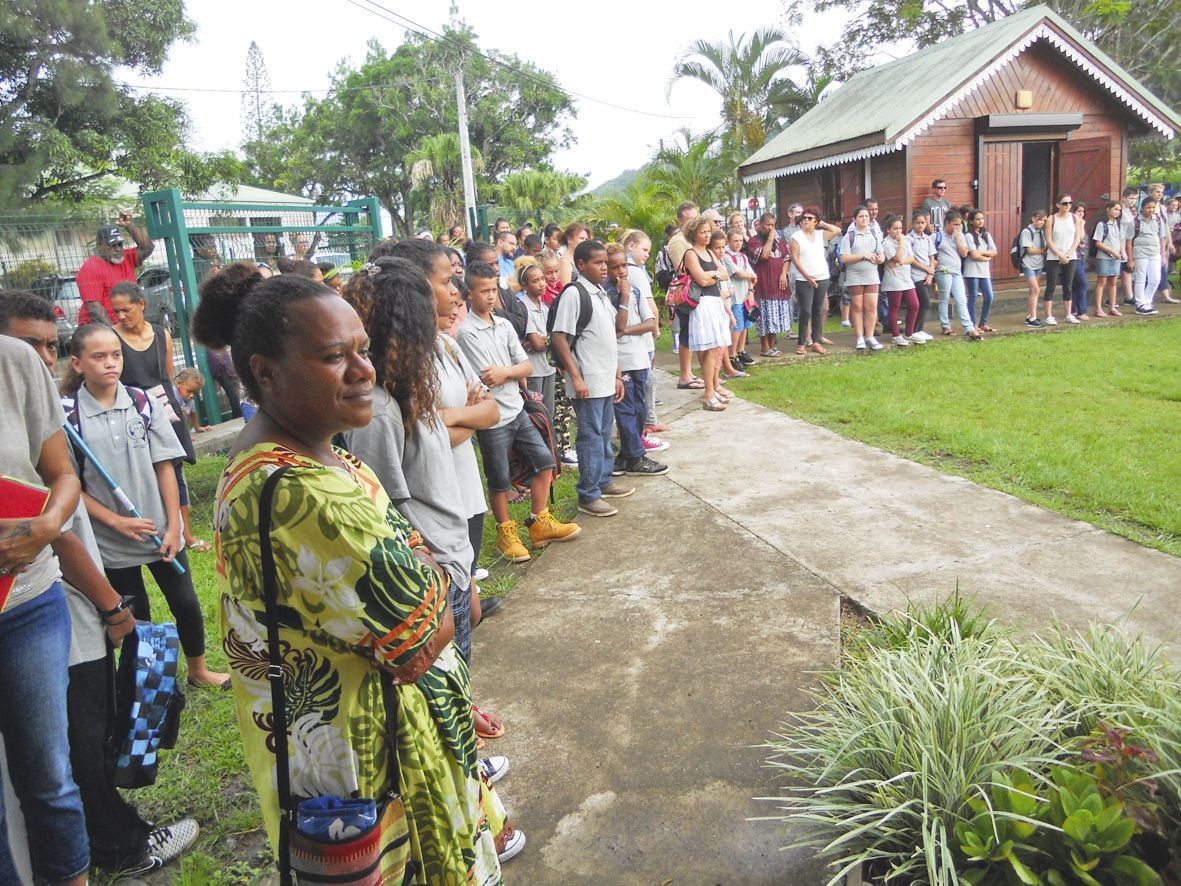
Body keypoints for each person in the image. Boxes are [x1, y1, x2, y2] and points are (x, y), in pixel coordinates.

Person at [191, 268, 522, 881]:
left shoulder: (326, 455)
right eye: (332, 357)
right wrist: (431, 578)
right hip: (363, 767)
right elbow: (421, 635)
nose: (363, 370)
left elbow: (417, 583)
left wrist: (425, 585)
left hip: (394, 727)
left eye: (363, 350)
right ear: (266, 373)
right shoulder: (297, 492)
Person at [0, 292, 200, 876]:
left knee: (82, 733)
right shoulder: (52, 406)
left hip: (70, 593)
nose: (39, 358)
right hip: (58, 599)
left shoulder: (66, 403)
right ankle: (120, 846)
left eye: (47, 345)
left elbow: (62, 495)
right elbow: (55, 530)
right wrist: (113, 606)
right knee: (78, 740)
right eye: (28, 345)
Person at [61, 324, 229, 689]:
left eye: (116, 355)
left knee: (185, 602)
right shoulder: (67, 416)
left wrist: (174, 526)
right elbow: (68, 485)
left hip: (160, 531)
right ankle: (151, 685)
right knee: (138, 614)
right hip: (112, 540)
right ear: (77, 363)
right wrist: (116, 522)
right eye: (99, 356)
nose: (110, 363)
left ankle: (198, 671)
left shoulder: (142, 401)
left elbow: (166, 466)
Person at [0, 333, 88, 886]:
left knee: (50, 777)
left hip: (28, 605)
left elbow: (63, 475)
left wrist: (46, 526)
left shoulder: (13, 361)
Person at [457, 262, 580, 557]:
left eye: (493, 290)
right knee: (499, 479)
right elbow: (486, 377)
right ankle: (505, 532)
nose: (490, 296)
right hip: (493, 418)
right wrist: (510, 371)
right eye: (483, 291)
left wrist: (506, 372)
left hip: (517, 408)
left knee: (545, 462)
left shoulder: (504, 325)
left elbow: (524, 366)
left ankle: (539, 521)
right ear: (470, 294)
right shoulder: (467, 333)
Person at [108, 283, 204, 554]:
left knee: (175, 470)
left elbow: (168, 376)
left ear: (141, 304)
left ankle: (185, 534)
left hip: (164, 409)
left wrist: (172, 411)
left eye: (126, 310)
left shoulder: (162, 334)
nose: (121, 316)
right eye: (116, 311)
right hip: (130, 412)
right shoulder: (112, 337)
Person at [551, 241, 629, 516]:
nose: (604, 267)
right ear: (581, 265)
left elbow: (609, 337)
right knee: (590, 436)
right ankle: (588, 494)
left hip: (605, 378)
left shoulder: (601, 293)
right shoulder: (575, 293)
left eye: (605, 262)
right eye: (598, 263)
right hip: (588, 380)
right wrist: (576, 377)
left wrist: (617, 375)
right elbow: (559, 337)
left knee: (604, 433)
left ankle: (604, 480)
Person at [606, 244, 667, 478]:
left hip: (640, 358)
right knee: (625, 410)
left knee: (640, 408)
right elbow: (617, 325)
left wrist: (626, 330)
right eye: (615, 267)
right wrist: (623, 297)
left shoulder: (636, 291)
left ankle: (626, 454)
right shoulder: (608, 295)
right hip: (621, 361)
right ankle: (635, 457)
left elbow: (650, 323)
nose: (621, 271)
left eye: (624, 265)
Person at [683, 218, 736, 410]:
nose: (706, 235)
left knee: (716, 348)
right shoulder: (691, 254)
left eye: (708, 231)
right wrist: (715, 275)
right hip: (703, 303)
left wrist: (713, 275)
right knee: (710, 349)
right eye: (702, 232)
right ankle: (708, 393)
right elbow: (702, 280)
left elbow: (725, 274)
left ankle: (712, 390)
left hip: (715, 302)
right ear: (694, 234)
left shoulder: (709, 252)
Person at [623, 231, 668, 449]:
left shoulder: (635, 270)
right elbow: (649, 303)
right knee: (646, 381)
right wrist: (655, 327)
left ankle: (648, 423)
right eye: (644, 249)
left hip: (640, 333)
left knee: (647, 380)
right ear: (631, 246)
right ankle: (645, 427)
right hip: (641, 334)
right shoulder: (634, 272)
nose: (647, 255)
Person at [77, 210, 155, 326]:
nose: (118, 249)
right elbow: (94, 309)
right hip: (98, 328)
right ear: (99, 246)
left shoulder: (126, 258)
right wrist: (115, 332)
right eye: (112, 245)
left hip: (125, 324)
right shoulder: (90, 268)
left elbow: (147, 247)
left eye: (120, 244)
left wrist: (128, 225)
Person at [789, 207, 841, 355]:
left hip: (822, 276)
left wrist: (822, 223)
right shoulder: (796, 237)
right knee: (805, 311)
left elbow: (837, 230)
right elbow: (795, 258)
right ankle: (801, 343)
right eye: (804, 218)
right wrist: (807, 276)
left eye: (810, 218)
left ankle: (816, 341)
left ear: (816, 221)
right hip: (804, 279)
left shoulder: (820, 235)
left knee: (818, 310)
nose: (806, 220)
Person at [666, 202, 704, 383]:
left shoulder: (691, 239)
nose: (693, 223)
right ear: (679, 221)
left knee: (692, 333)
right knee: (686, 333)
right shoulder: (678, 241)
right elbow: (682, 270)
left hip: (696, 292)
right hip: (686, 293)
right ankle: (685, 375)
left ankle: (689, 373)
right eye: (689, 220)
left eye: (696, 219)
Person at [933, 211, 983, 340]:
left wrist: (957, 239)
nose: (957, 227)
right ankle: (945, 326)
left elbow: (964, 254)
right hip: (943, 271)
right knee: (944, 298)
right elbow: (931, 254)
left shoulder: (960, 236)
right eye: (954, 224)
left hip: (956, 271)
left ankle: (968, 328)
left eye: (959, 225)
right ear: (947, 223)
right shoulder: (937, 236)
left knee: (961, 299)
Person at [747, 213, 791, 357]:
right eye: (767, 225)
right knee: (764, 318)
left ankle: (772, 345)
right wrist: (771, 238)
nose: (770, 228)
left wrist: (783, 274)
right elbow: (764, 256)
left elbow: (786, 258)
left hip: (778, 285)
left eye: (773, 225)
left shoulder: (779, 241)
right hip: (763, 286)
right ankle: (764, 347)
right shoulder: (754, 241)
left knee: (775, 317)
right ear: (760, 225)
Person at [518, 263, 557, 428]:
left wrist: (546, 339)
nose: (541, 284)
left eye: (542, 279)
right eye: (535, 281)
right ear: (524, 286)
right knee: (537, 414)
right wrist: (549, 340)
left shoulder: (545, 307)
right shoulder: (523, 308)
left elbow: (555, 337)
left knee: (549, 412)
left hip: (548, 368)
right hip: (534, 370)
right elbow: (538, 344)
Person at [841, 206, 885, 350]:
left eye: (866, 216)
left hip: (872, 275)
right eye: (861, 216)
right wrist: (862, 256)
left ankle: (870, 336)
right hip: (855, 276)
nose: (864, 219)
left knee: (871, 306)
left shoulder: (874, 234)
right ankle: (860, 337)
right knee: (857, 307)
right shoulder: (849, 236)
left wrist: (880, 259)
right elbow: (844, 258)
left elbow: (881, 254)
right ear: (854, 219)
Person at [880, 214, 922, 346]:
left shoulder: (905, 241)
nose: (898, 231)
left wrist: (900, 261)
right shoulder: (886, 243)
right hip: (893, 278)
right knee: (894, 306)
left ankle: (909, 333)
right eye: (895, 229)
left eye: (900, 228)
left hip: (906, 277)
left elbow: (911, 258)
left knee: (914, 304)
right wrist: (901, 246)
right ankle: (895, 335)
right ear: (888, 230)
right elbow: (896, 257)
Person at [1042, 194, 1081, 325]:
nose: (1068, 205)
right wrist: (1060, 255)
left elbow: (1077, 238)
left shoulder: (1075, 218)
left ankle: (1068, 314)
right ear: (1058, 205)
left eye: (1070, 203)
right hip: (1054, 256)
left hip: (1071, 256)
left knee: (1068, 285)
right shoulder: (1051, 219)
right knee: (1051, 285)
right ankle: (1048, 315)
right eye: (1064, 203)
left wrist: (1068, 254)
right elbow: (1049, 240)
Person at [1125, 197, 1167, 316]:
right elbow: (1129, 241)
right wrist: (1130, 259)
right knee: (1140, 278)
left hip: (1155, 252)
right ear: (1142, 208)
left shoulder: (1158, 219)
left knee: (1156, 278)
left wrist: (1163, 255)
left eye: (1153, 207)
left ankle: (1147, 301)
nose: (1151, 210)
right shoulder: (1135, 222)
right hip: (1140, 253)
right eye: (1148, 207)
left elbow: (1162, 238)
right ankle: (1140, 303)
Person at [723, 227, 758, 364]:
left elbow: (751, 275)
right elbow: (739, 274)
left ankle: (741, 350)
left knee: (745, 324)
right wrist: (751, 276)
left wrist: (751, 291)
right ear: (728, 241)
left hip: (745, 297)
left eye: (740, 241)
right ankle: (732, 354)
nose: (738, 243)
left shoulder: (742, 256)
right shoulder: (727, 256)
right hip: (735, 297)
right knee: (737, 326)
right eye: (735, 241)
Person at [962, 210, 998, 332]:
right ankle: (972, 324)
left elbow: (994, 251)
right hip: (972, 271)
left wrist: (982, 253)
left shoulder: (986, 235)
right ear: (971, 221)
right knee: (972, 296)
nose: (980, 221)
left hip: (984, 271)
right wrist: (986, 257)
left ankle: (983, 322)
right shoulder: (968, 236)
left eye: (982, 218)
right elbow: (973, 255)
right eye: (977, 219)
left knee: (989, 296)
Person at [905, 212, 936, 341]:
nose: (920, 225)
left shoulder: (927, 238)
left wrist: (930, 272)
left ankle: (919, 329)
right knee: (924, 302)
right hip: (915, 275)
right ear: (913, 224)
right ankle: (914, 330)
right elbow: (912, 260)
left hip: (927, 275)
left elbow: (931, 256)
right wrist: (926, 269)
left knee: (925, 303)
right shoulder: (909, 239)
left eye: (922, 223)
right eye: (917, 223)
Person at [1093, 200, 1125, 317]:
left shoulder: (1119, 224)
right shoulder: (1102, 224)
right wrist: (1111, 251)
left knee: (1113, 282)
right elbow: (1098, 242)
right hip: (1104, 257)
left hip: (1116, 257)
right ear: (1108, 209)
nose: (1117, 212)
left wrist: (1122, 252)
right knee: (1101, 282)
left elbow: (1122, 240)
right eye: (1115, 209)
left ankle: (1112, 307)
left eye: (1119, 210)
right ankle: (1098, 308)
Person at [1020, 211, 1048, 328]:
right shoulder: (1026, 232)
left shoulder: (1041, 233)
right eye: (1039, 219)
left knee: (1033, 291)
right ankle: (1033, 318)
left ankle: (1030, 315)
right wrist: (1042, 251)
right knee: (1036, 289)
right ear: (1033, 219)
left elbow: (1045, 246)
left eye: (1044, 220)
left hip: (1038, 264)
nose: (1041, 222)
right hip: (1028, 264)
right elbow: (1029, 250)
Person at [1068, 202, 1091, 321]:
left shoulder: (1081, 223)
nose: (1081, 214)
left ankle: (1074, 309)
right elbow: (1080, 238)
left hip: (1082, 258)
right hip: (1074, 257)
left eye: (1083, 211)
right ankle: (1082, 311)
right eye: (1078, 211)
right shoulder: (1073, 224)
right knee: (1082, 284)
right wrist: (1081, 225)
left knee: (1076, 285)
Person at [175, 367, 212, 434]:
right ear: (178, 383)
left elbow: (193, 414)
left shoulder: (190, 400)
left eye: (195, 393)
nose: (192, 395)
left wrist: (198, 428)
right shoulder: (174, 396)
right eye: (189, 391)